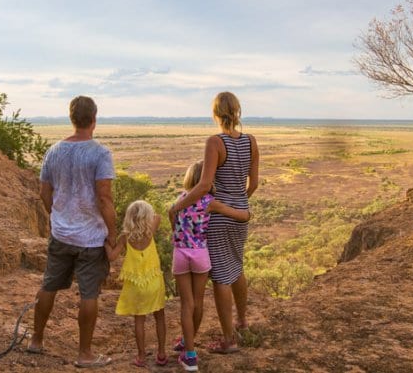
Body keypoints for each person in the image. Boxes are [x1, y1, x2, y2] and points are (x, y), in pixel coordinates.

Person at [28, 95, 117, 369]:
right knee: (89, 294)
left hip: (61, 233)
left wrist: (57, 216)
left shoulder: (53, 151)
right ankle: (85, 354)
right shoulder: (100, 154)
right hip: (90, 237)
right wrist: (112, 235)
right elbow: (104, 198)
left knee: (49, 285)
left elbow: (45, 193)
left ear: (71, 118)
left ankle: (36, 341)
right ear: (94, 119)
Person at [168, 91, 259, 354]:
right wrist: (239, 202)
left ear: (215, 114)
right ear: (238, 111)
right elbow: (253, 184)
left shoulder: (214, 142)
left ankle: (228, 340)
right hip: (240, 213)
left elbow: (204, 185)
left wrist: (177, 206)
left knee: (220, 275)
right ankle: (241, 320)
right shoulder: (251, 141)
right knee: (237, 265)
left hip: (218, 215)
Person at [170, 160, 252, 371]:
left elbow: (174, 222)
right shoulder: (210, 202)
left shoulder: (180, 199)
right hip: (200, 255)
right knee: (198, 302)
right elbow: (238, 215)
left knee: (186, 305)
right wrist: (247, 214)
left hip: (180, 254)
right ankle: (190, 354)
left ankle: (187, 347)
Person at [105, 200, 168, 368]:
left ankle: (141, 356)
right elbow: (158, 216)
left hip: (135, 285)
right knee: (159, 317)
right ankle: (161, 353)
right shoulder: (150, 231)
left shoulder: (125, 237)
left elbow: (112, 257)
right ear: (146, 217)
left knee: (139, 320)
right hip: (153, 281)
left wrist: (105, 242)